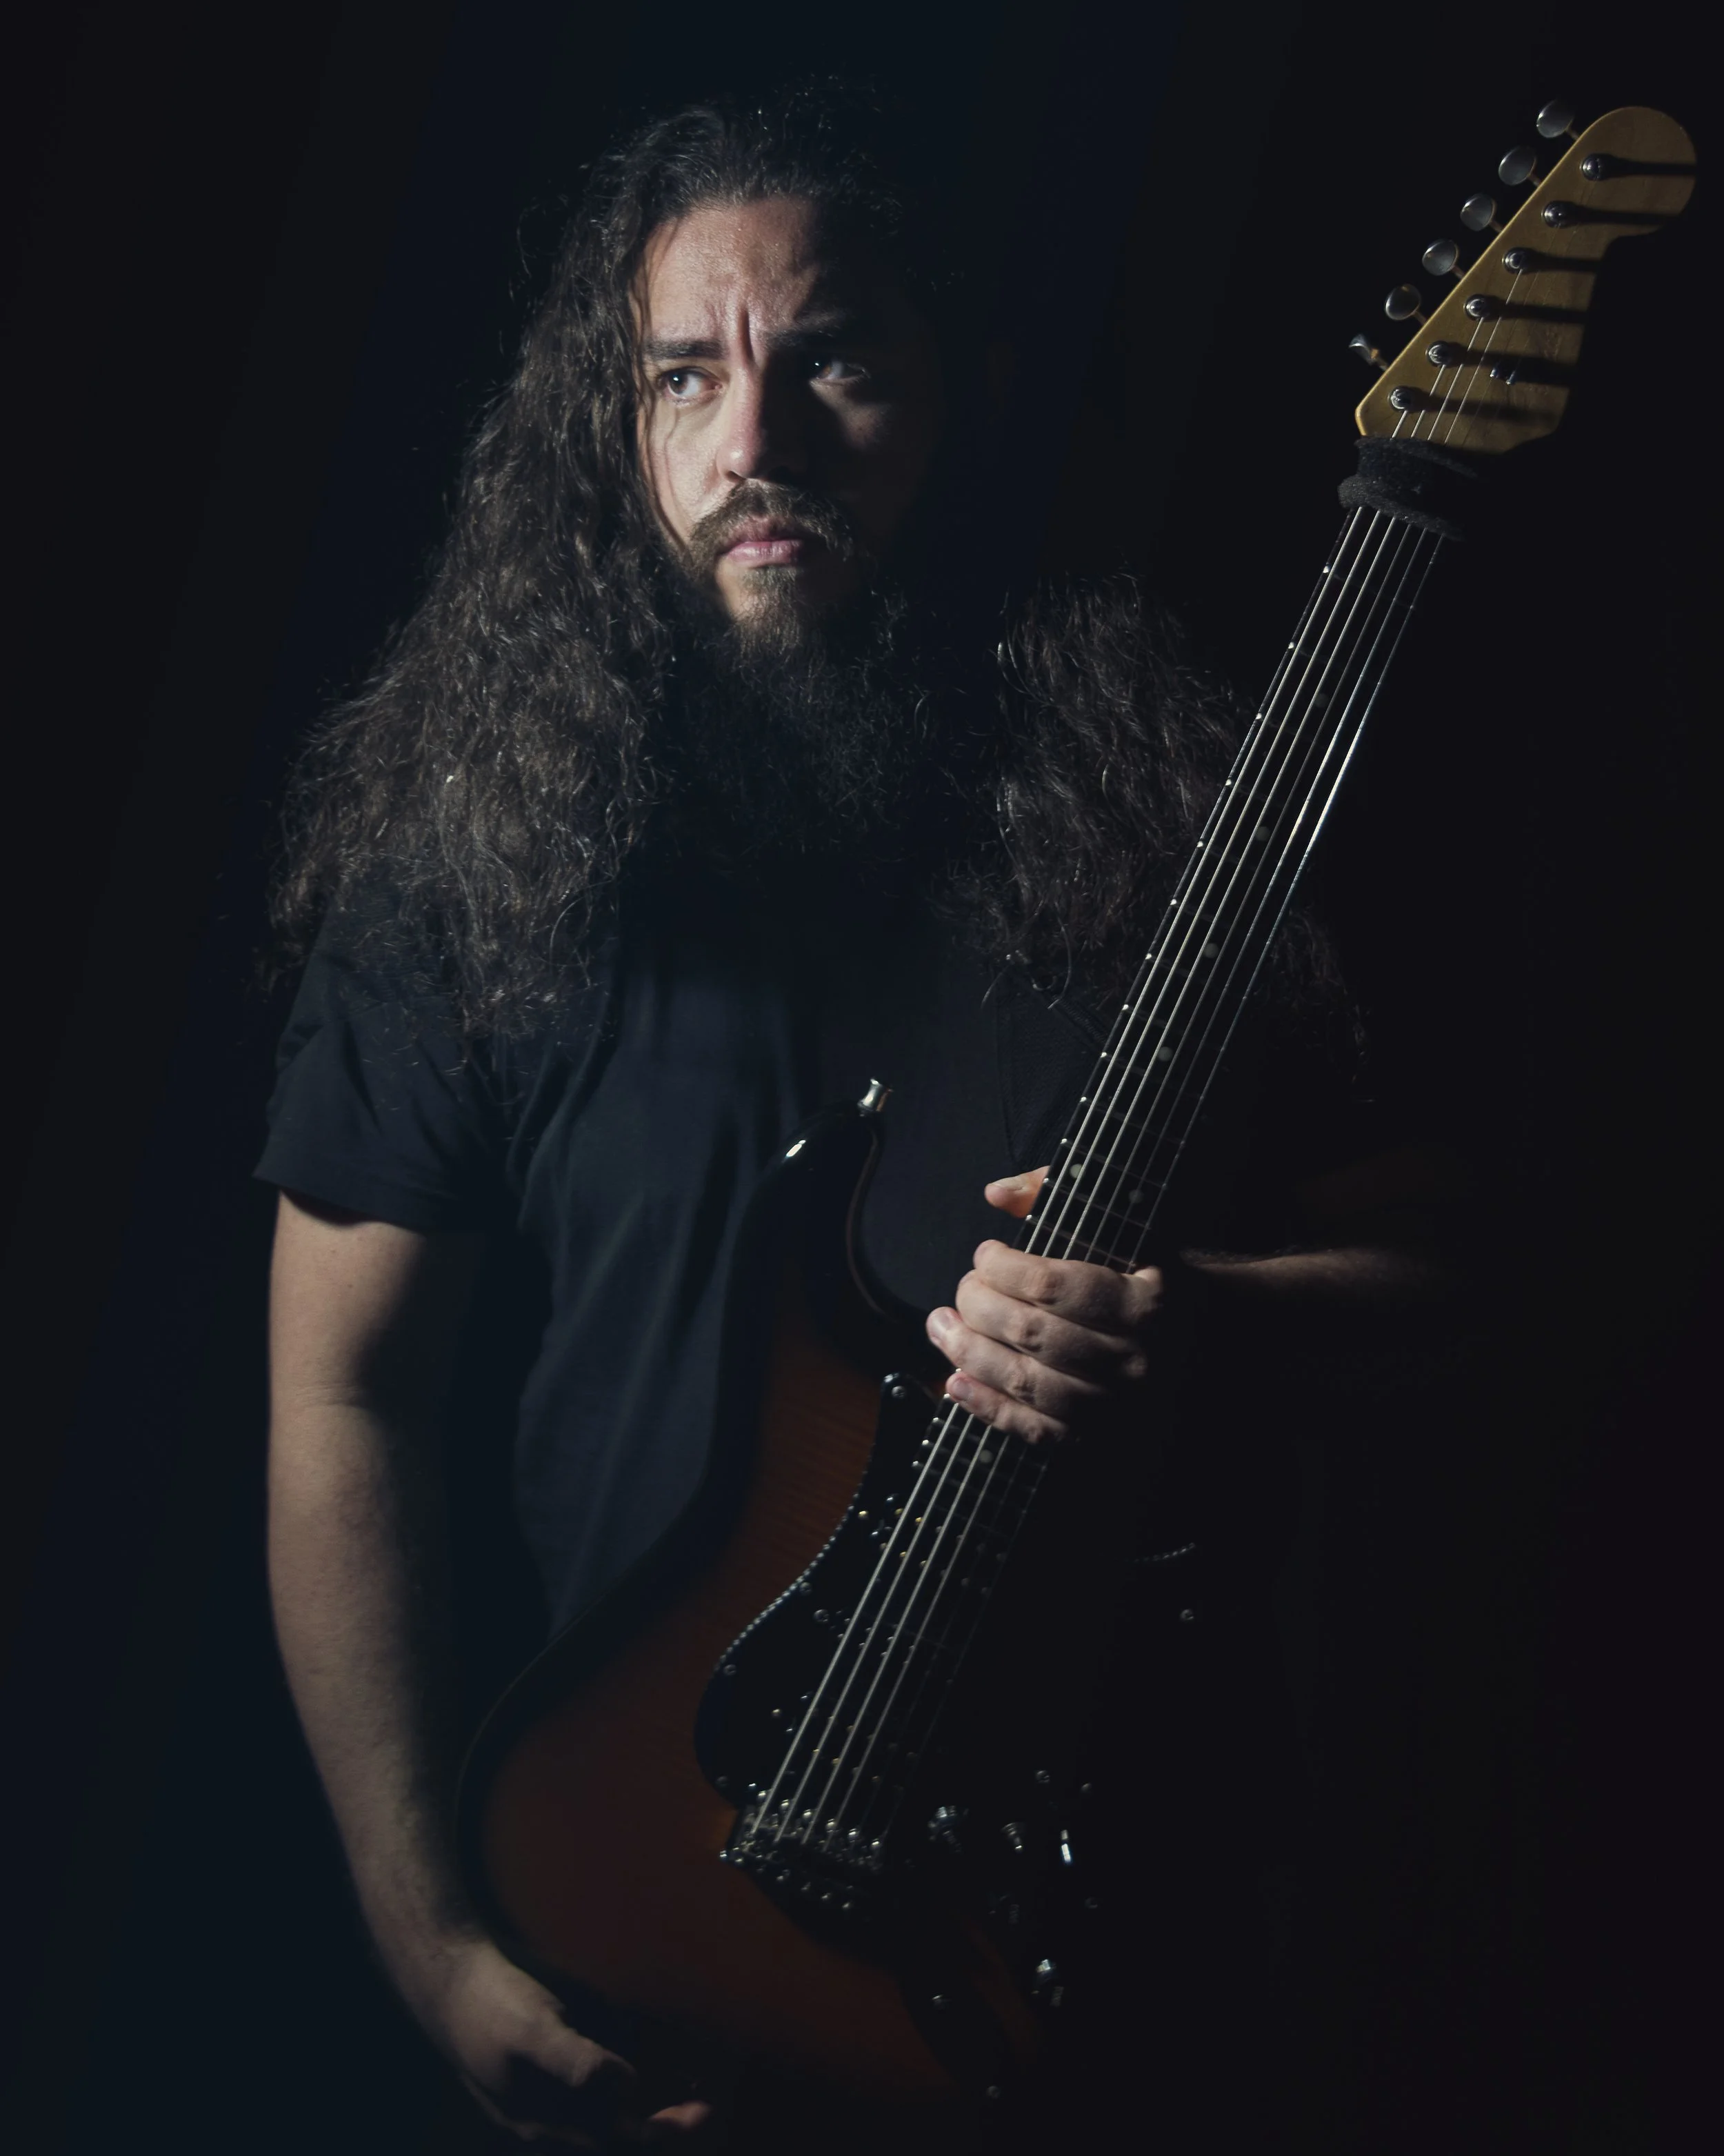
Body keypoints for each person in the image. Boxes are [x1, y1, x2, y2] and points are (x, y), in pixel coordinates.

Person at [260, 90, 1457, 2153]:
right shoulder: (470, 872)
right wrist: (423, 1931)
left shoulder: (1177, 821)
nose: (759, 440)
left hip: (1098, 1955)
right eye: (683, 375)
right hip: (642, 1912)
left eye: (830, 355)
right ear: (614, 430)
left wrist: (1193, 1314)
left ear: (961, 394)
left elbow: (1458, 1276)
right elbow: (343, 1395)